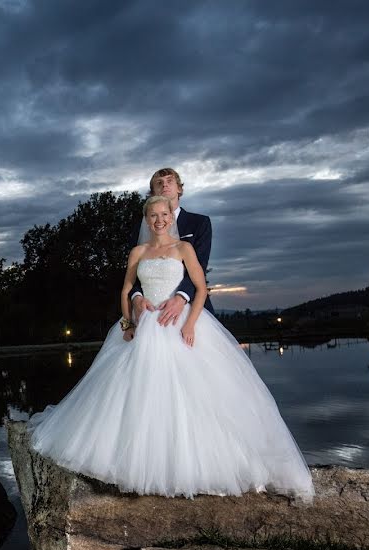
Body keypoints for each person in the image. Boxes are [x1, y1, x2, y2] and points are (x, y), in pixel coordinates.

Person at [28, 195, 314, 501]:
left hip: (180, 326)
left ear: (171, 217)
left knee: (196, 393)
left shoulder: (184, 248)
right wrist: (129, 323)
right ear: (146, 220)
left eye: (164, 214)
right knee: (138, 392)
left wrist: (190, 324)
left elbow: (202, 288)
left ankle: (199, 464)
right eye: (153, 215)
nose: (159, 220)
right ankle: (143, 460)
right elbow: (126, 290)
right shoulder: (138, 251)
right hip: (145, 326)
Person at [131, 167, 214, 321]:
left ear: (179, 189)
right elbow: (134, 273)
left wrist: (181, 297)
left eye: (170, 181)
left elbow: (200, 267)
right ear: (152, 193)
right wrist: (136, 297)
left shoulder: (199, 223)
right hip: (147, 311)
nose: (165, 185)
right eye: (159, 183)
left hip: (191, 308)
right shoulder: (140, 227)